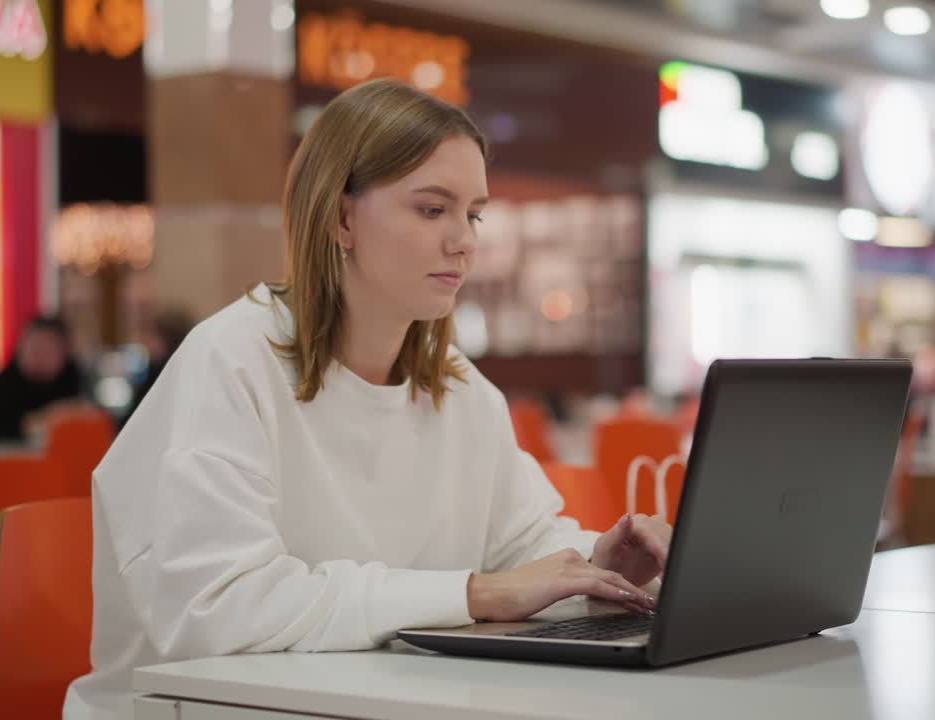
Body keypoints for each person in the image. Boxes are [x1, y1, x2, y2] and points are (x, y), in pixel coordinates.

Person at [64, 79, 672, 720]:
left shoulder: (460, 389)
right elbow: (219, 609)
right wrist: (474, 594)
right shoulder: (231, 361)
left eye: (473, 214)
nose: (464, 241)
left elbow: (522, 548)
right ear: (342, 218)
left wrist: (596, 567)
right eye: (432, 210)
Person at [0, 315, 86, 442]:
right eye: (33, 348)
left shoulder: (78, 385)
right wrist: (31, 424)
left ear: (65, 353)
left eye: (47, 350)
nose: (39, 357)